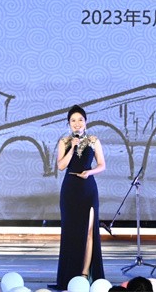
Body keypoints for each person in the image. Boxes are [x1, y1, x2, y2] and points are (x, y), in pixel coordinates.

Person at [55, 104, 106, 288]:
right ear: (69, 123)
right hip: (70, 190)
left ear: (86, 122)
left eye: (80, 120)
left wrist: (89, 172)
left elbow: (102, 165)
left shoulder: (93, 140)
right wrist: (72, 147)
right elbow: (61, 166)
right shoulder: (64, 141)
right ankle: (70, 275)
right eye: (73, 121)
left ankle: (84, 273)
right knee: (71, 232)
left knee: (90, 231)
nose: (77, 124)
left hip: (88, 189)